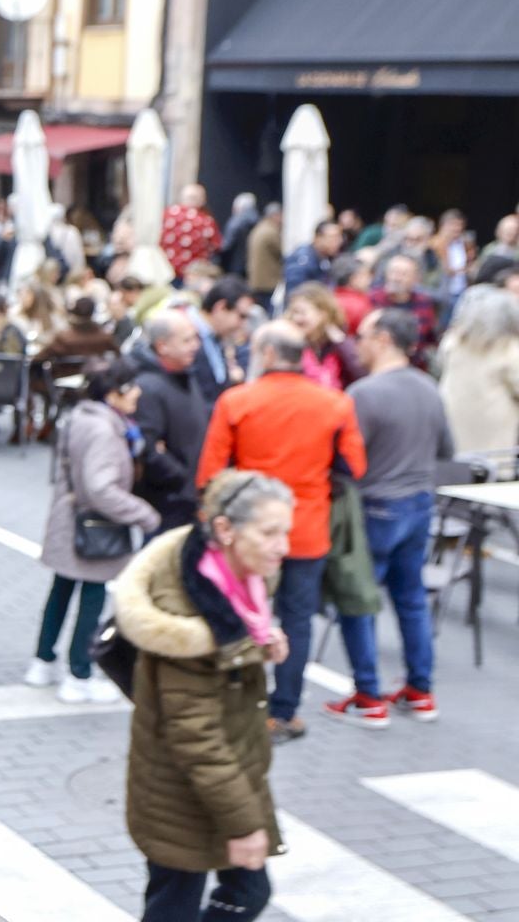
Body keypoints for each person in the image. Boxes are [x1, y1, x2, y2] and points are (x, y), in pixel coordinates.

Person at [113, 471, 293, 922]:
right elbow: (197, 736)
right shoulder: (186, 616)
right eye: (270, 532)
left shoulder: (239, 582)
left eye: (285, 531)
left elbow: (234, 645)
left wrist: (262, 642)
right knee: (177, 905)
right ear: (226, 530)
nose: (283, 546)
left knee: (247, 891)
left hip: (223, 783)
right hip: (181, 794)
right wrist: (244, 823)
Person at [197, 322, 368, 743]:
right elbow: (355, 467)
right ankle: (284, 711)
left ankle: (233, 699)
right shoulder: (335, 404)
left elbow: (210, 473)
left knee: (238, 611)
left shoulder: (237, 400)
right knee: (296, 619)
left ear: (269, 354)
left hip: (247, 532)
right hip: (305, 528)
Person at [326, 309, 451, 727]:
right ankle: (420, 689)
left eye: (360, 335)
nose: (355, 343)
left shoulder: (365, 394)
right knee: (410, 598)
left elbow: (345, 458)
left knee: (358, 599)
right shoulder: (429, 388)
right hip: (418, 502)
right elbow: (446, 450)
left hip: (376, 505)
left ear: (381, 338)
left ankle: (367, 694)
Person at [29, 358, 161, 702]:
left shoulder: (81, 417)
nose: (138, 392)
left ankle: (43, 661)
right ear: (113, 393)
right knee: (92, 597)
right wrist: (143, 514)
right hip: (94, 528)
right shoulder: (106, 429)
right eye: (130, 386)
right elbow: (101, 488)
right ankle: (79, 673)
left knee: (61, 590)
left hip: (68, 518)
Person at [130, 310, 210, 534]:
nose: (195, 345)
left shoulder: (185, 375)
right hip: (168, 501)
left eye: (195, 338)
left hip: (187, 495)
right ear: (162, 346)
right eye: (186, 340)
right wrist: (182, 478)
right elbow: (148, 448)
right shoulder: (148, 387)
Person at [435, 284, 519, 453]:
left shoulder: (453, 343)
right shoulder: (509, 349)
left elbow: (439, 366)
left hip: (454, 419)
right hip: (496, 428)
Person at [368, 254, 440, 369]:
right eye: (393, 272)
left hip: (413, 366)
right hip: (378, 365)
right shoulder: (373, 299)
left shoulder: (424, 303)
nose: (396, 278)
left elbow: (431, 338)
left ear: (416, 279)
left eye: (403, 274)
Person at [284, 283, 360, 390]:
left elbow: (361, 375)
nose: (296, 318)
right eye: (293, 312)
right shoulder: (287, 343)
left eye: (302, 312)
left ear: (323, 313)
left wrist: (342, 343)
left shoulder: (339, 344)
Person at [191, 278, 254, 403]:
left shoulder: (215, 337)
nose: (242, 324)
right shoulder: (188, 332)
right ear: (221, 308)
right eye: (241, 316)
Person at [161, 184, 223, 285]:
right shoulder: (206, 221)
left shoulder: (166, 215)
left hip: (163, 270)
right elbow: (216, 246)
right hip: (191, 276)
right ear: (202, 200)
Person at [36, 295, 120, 362]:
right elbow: (118, 354)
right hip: (96, 379)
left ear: (74, 313)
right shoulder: (104, 337)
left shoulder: (64, 339)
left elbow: (40, 357)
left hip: (65, 378)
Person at [282, 220, 342, 296]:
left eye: (339, 237)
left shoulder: (325, 258)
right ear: (318, 238)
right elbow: (294, 295)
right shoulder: (302, 261)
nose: (339, 241)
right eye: (333, 237)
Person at [244, 203, 284, 309]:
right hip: (268, 281)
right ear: (275, 215)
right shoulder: (271, 232)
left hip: (257, 279)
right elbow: (281, 253)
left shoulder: (259, 228)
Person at [216, 192, 259, 278]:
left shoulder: (236, 222)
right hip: (252, 265)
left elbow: (226, 246)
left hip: (235, 265)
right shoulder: (258, 220)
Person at [330, 254, 373, 336]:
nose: (369, 280)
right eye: (366, 275)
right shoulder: (361, 307)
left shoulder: (329, 297)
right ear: (354, 278)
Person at [110, 275, 146, 347]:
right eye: (134, 292)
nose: (137, 296)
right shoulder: (115, 306)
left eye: (139, 292)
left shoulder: (137, 308)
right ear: (123, 291)